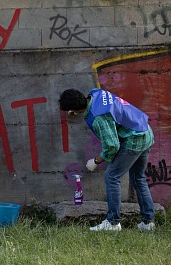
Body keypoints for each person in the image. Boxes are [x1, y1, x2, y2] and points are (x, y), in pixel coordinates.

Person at [59, 88, 155, 231]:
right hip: (144, 131)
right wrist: (77, 110)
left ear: (75, 109)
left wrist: (96, 161)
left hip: (133, 140)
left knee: (111, 177)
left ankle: (113, 222)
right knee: (138, 178)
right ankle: (148, 223)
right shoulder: (96, 93)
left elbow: (112, 146)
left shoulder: (99, 118)